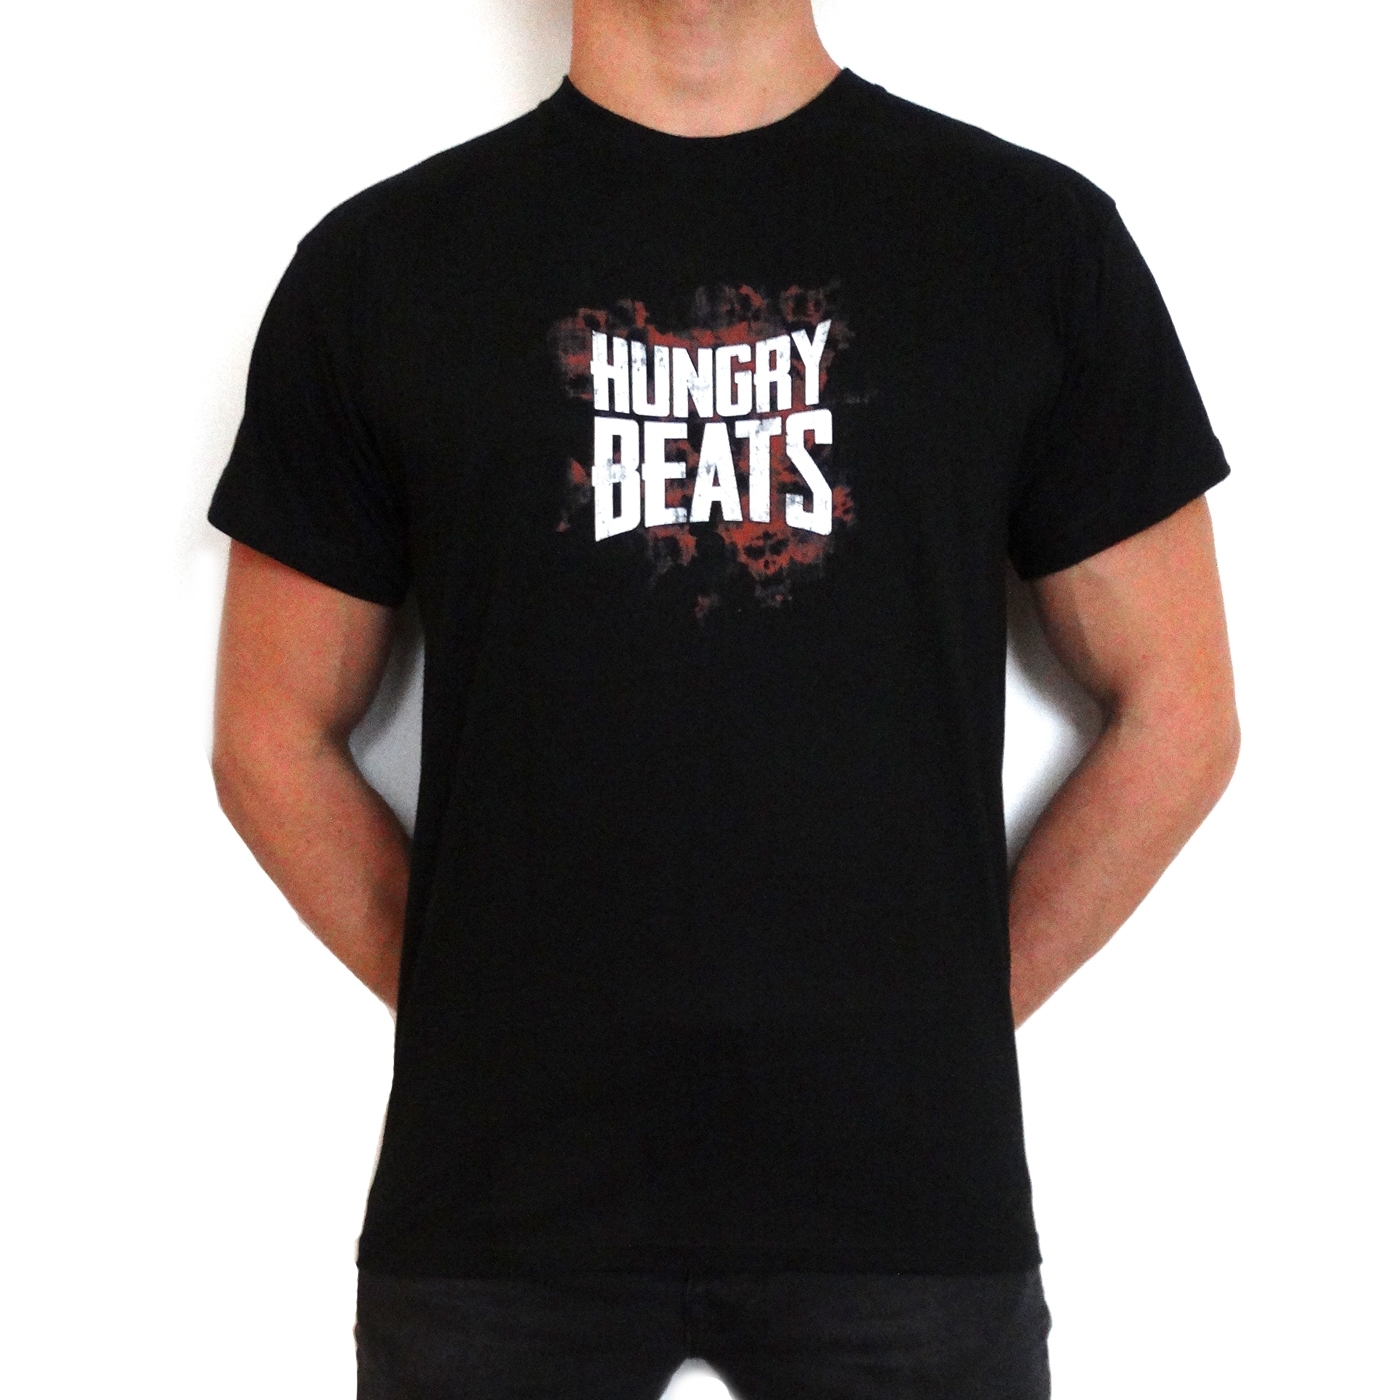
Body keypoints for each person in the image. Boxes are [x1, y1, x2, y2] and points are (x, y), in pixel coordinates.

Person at [209, 1, 1239, 1395]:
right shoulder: (384, 267)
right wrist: (483, 1024)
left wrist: (939, 1023)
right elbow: (268, 736)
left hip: (907, 1211)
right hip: (499, 1214)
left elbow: (1181, 711)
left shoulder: (1029, 242)